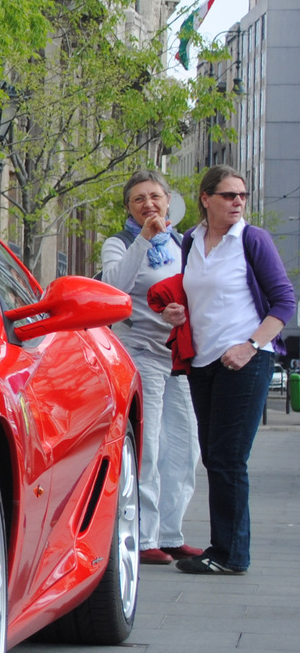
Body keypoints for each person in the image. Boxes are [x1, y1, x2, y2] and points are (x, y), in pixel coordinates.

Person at [159, 166, 295, 575]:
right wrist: (175, 313)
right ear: (205, 199)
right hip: (203, 363)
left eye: (242, 196)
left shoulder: (252, 239)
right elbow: (192, 297)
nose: (238, 202)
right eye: (228, 195)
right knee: (216, 456)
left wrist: (251, 345)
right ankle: (225, 549)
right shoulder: (191, 241)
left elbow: (284, 303)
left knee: (228, 458)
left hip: (246, 362)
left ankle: (230, 554)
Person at [99, 171, 200, 565]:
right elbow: (114, 286)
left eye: (155, 197)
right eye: (138, 199)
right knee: (149, 448)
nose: (148, 205)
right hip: (140, 353)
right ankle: (144, 537)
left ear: (169, 200)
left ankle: (171, 532)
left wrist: (182, 311)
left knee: (185, 449)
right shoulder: (119, 243)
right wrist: (143, 239)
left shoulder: (183, 245)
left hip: (179, 356)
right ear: (129, 208)